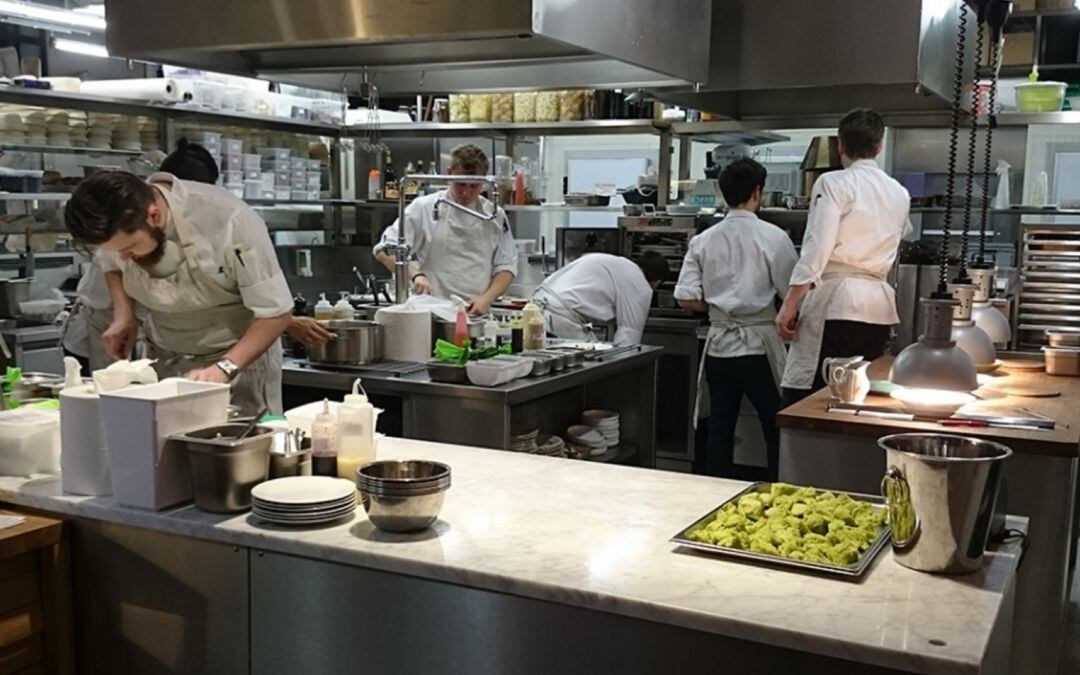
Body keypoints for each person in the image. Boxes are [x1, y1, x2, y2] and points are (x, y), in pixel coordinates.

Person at [64, 170, 294, 414]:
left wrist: (223, 369)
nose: (123, 257)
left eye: (130, 248)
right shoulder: (115, 221)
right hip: (164, 360)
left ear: (154, 215)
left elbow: (276, 313)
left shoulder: (231, 220)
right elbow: (110, 267)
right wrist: (124, 314)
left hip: (238, 364)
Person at [776, 108, 912, 407]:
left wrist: (790, 303)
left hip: (838, 304)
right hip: (877, 308)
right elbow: (899, 233)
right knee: (861, 399)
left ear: (840, 145)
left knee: (814, 401)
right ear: (879, 146)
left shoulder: (833, 182)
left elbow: (817, 247)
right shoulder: (900, 192)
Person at [675, 158, 798, 481]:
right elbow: (793, 293)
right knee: (774, 423)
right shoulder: (774, 237)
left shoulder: (702, 240)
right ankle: (777, 489)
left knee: (720, 425)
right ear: (758, 191)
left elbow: (684, 296)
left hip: (719, 347)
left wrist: (717, 310)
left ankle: (714, 494)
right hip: (759, 347)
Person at [372, 144, 518, 315]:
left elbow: (506, 267)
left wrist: (485, 300)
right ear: (449, 173)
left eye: (474, 186)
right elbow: (383, 250)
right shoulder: (424, 207)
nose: (466, 192)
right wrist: (416, 275)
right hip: (430, 312)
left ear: (484, 182)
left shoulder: (494, 215)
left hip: (474, 313)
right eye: (460, 184)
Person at [531, 251, 667, 345]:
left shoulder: (617, 264)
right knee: (590, 366)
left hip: (535, 308)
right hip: (561, 315)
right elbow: (629, 335)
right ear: (656, 282)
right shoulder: (640, 285)